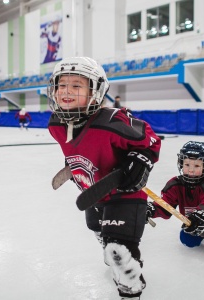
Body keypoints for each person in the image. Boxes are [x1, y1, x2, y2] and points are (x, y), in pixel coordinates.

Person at [47, 56, 161, 299]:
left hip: (124, 194)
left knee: (119, 249)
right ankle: (108, 243)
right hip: (95, 190)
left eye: (76, 86)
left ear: (95, 92)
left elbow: (150, 140)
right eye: (61, 85)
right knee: (95, 228)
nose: (66, 91)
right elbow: (79, 147)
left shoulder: (112, 120)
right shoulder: (56, 123)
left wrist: (141, 159)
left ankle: (130, 284)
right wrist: (73, 167)